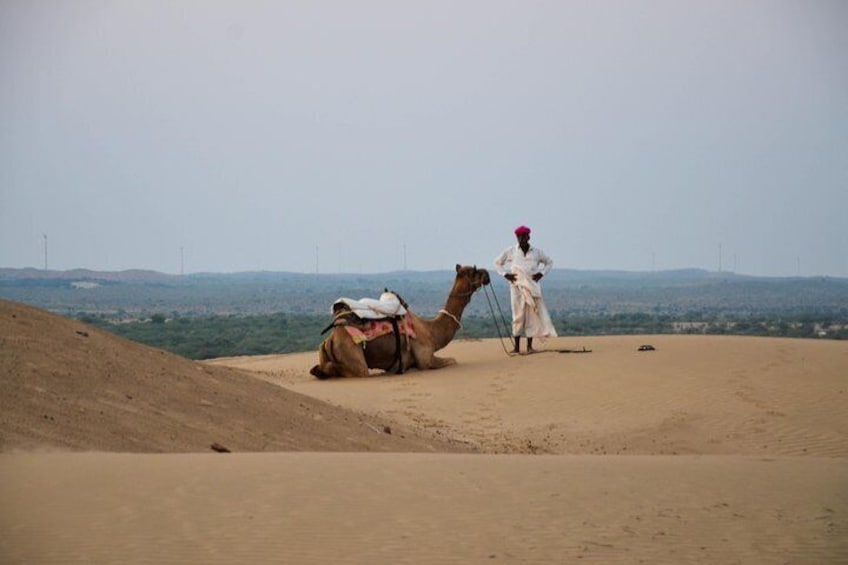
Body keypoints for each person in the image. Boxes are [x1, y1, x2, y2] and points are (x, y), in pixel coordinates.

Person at [494, 225, 558, 354]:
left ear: (528, 237)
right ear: (517, 237)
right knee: (517, 316)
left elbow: (549, 262)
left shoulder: (537, 252)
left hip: (532, 287)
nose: (522, 238)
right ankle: (517, 347)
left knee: (531, 316)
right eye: (519, 236)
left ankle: (529, 347)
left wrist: (541, 273)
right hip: (516, 287)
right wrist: (506, 274)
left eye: (524, 236)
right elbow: (497, 262)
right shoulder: (511, 251)